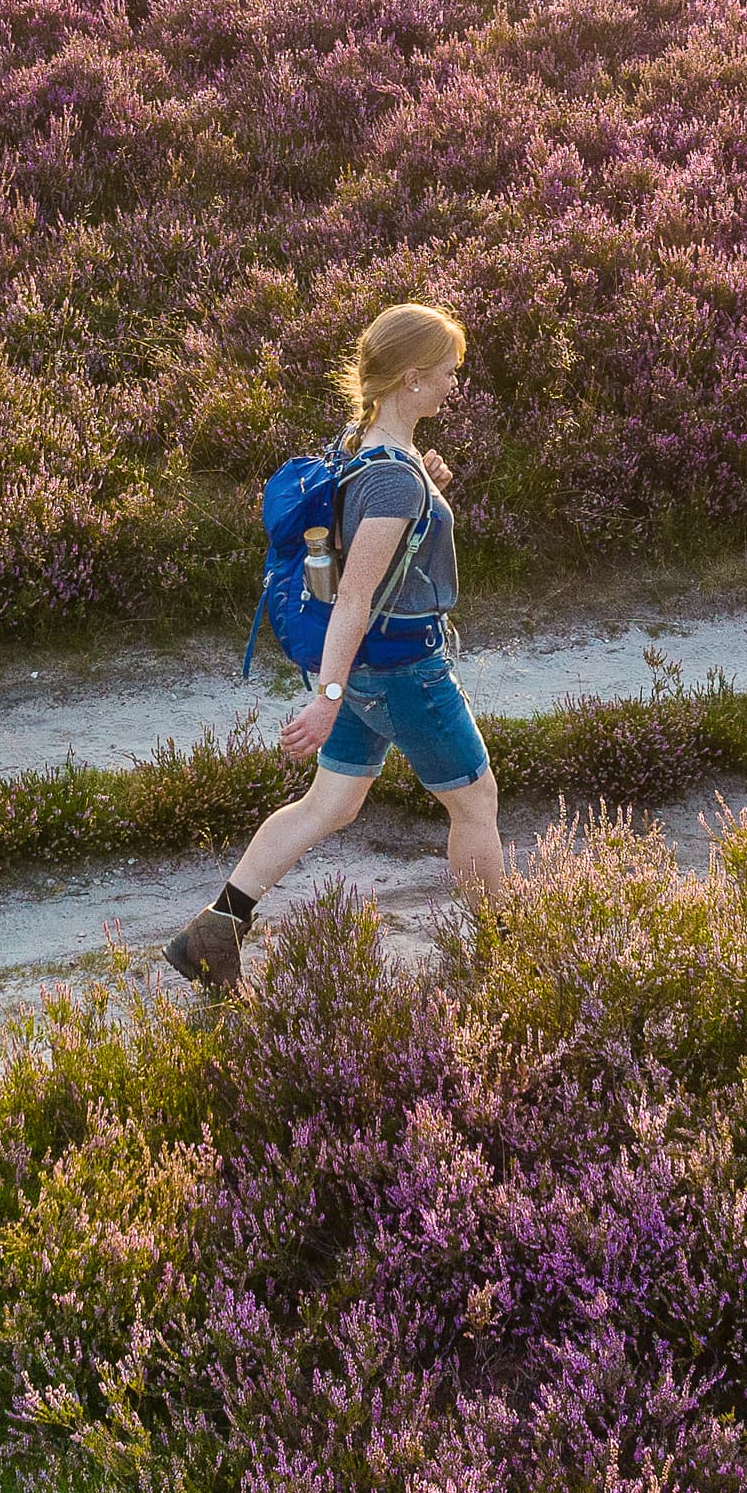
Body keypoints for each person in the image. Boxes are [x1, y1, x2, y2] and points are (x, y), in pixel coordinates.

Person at [163, 303, 504, 997]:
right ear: (410, 378)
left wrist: (428, 491)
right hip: (400, 672)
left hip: (360, 671)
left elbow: (376, 545)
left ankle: (213, 931)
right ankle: (508, 952)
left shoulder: (364, 447)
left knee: (331, 806)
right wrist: (327, 698)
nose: (452, 384)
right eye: (446, 373)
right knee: (476, 802)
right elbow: (353, 595)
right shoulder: (390, 477)